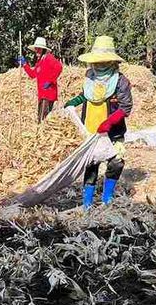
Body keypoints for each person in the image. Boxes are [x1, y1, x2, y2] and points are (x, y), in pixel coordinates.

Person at [64, 36, 133, 209]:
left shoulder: (120, 81)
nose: (99, 65)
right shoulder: (90, 76)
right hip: (91, 129)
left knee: (116, 162)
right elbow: (86, 96)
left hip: (112, 130)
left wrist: (109, 122)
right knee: (91, 165)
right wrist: (74, 101)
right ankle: (87, 202)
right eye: (97, 62)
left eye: (103, 62)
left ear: (111, 61)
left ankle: (107, 198)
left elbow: (125, 107)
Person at [18, 37, 63, 123]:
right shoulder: (39, 62)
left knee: (43, 120)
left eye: (39, 49)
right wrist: (24, 64)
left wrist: (50, 81)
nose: (37, 51)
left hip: (48, 94)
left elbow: (59, 67)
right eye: (36, 49)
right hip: (42, 94)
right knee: (41, 118)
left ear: (43, 50)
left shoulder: (48, 58)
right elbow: (32, 75)